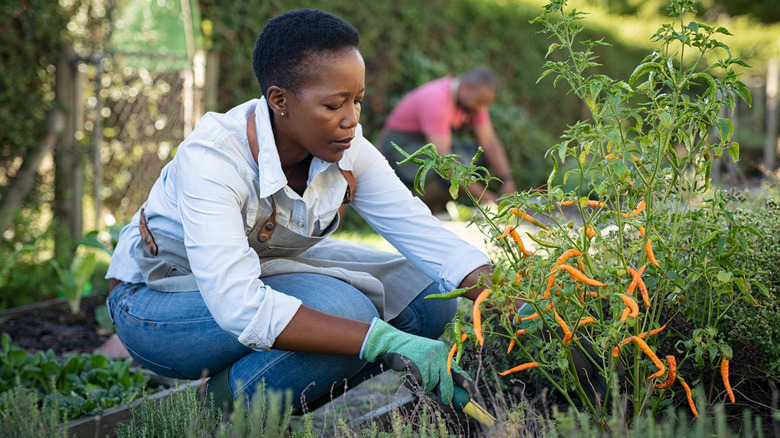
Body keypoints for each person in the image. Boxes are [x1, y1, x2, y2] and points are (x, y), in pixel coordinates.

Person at [104, 9, 501, 414]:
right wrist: (382, 341)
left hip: (266, 271)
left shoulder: (347, 148)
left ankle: (252, 387)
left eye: (358, 100)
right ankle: (211, 412)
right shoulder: (215, 160)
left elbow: (424, 237)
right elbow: (238, 305)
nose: (352, 119)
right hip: (157, 304)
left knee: (430, 295)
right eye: (333, 105)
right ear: (279, 100)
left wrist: (518, 303)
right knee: (344, 314)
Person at [379, 69, 516, 213]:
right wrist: (488, 199)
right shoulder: (437, 100)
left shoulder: (472, 102)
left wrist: (507, 179)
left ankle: (436, 205)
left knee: (479, 160)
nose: (481, 108)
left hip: (424, 144)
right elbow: (445, 162)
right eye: (480, 102)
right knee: (445, 171)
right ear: (466, 88)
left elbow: (489, 142)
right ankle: (407, 207)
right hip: (399, 148)